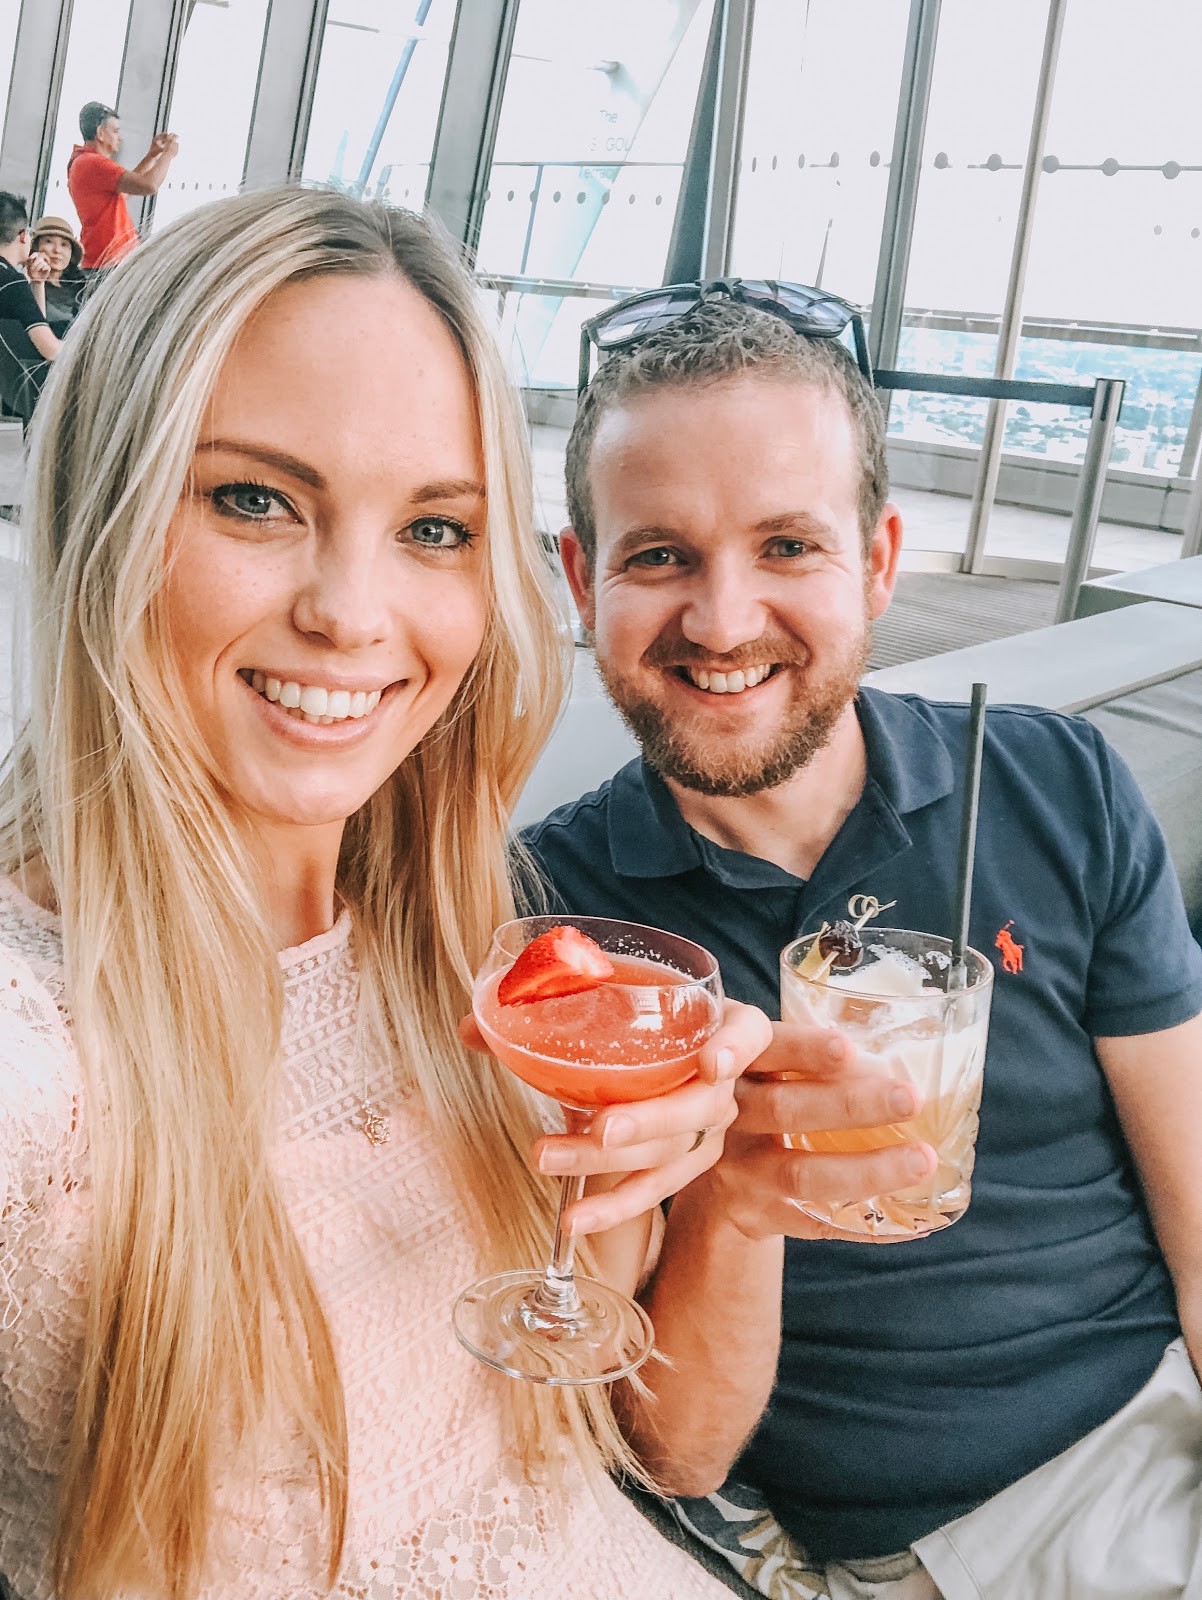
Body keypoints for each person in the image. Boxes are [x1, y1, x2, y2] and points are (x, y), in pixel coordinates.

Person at [0, 189, 774, 1600]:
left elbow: (636, 1443)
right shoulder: (33, 1056)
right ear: (100, 507)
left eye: (433, 528)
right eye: (253, 499)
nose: (353, 614)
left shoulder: (467, 950)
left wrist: (686, 1172)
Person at [524, 290, 1202, 1600]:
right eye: (658, 555)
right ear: (578, 579)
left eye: (787, 545)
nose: (722, 621)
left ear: (878, 564)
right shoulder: (560, 926)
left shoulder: (1056, 785)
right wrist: (733, 1197)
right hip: (947, 1533)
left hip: (1161, 1423)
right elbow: (669, 1449)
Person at [66, 100, 178, 270]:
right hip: (110, 261)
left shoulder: (84, 162)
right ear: (100, 133)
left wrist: (152, 156)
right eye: (116, 131)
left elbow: (127, 191)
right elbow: (149, 185)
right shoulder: (93, 163)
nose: (120, 137)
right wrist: (168, 155)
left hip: (106, 259)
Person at [0, 192, 59, 427]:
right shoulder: (11, 282)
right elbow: (50, 350)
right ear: (23, 235)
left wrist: (37, 284)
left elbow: (33, 329)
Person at [28, 215, 87, 335]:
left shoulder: (83, 286)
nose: (57, 250)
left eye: (64, 244)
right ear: (35, 247)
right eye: (48, 242)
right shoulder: (24, 281)